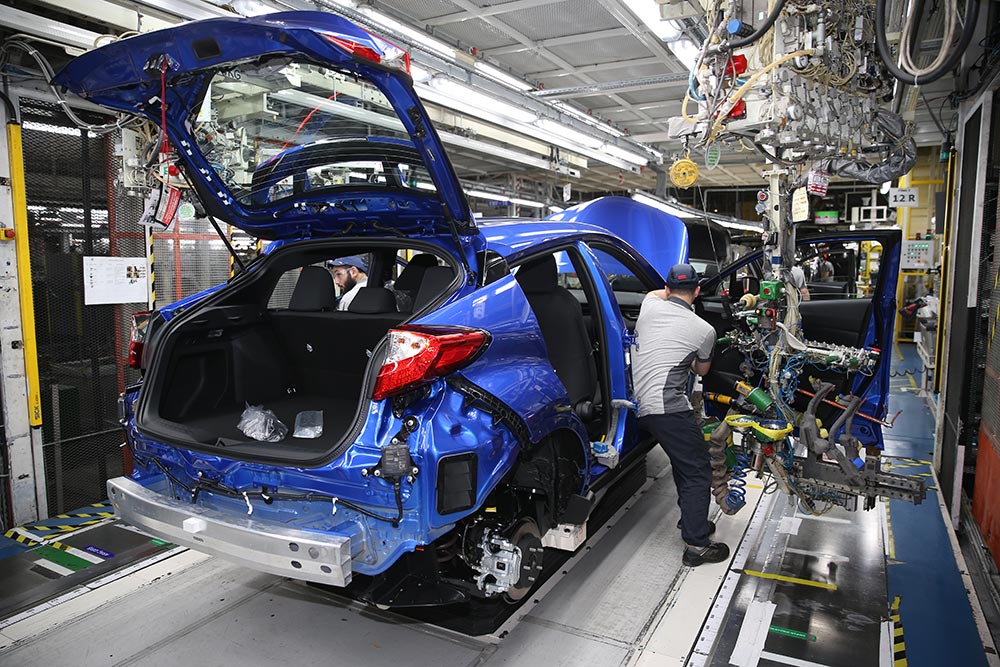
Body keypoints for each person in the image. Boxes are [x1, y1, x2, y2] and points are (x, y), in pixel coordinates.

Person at [632, 263, 730, 567]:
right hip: (669, 409)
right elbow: (702, 370)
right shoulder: (704, 330)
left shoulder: (649, 305)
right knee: (699, 471)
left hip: (641, 405)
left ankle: (691, 519)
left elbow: (655, 292)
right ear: (697, 291)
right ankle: (696, 545)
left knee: (684, 461)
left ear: (668, 288)